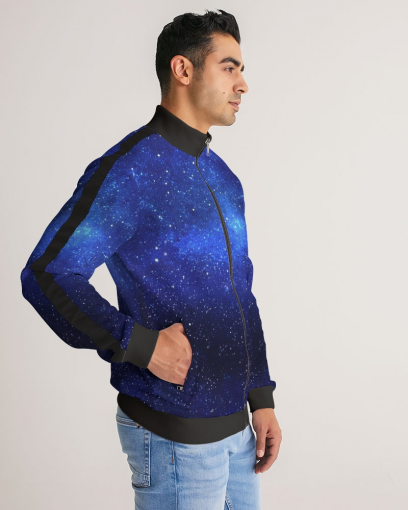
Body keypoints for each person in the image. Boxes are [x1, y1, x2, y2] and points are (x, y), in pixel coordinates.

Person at [20, 8, 282, 510]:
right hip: (174, 438)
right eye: (229, 67)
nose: (243, 84)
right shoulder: (130, 171)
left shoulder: (224, 179)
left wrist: (260, 396)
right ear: (183, 69)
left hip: (238, 434)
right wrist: (138, 344)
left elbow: (238, 294)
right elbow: (46, 274)